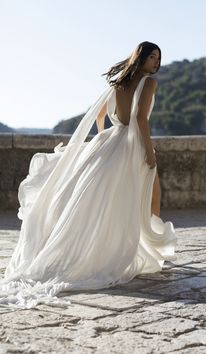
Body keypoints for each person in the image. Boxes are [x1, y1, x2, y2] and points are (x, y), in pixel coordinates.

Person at [0, 41, 177, 309]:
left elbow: (101, 116)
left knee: (106, 201)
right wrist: (148, 150)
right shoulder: (149, 84)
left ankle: (121, 246)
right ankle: (143, 246)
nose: (156, 62)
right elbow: (141, 118)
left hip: (110, 142)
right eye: (152, 57)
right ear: (140, 58)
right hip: (131, 145)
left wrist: (107, 136)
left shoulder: (118, 83)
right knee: (142, 196)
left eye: (158, 58)